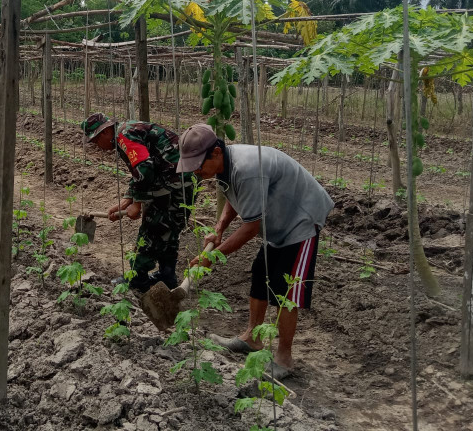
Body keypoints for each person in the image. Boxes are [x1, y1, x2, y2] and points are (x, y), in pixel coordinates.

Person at [175, 123, 334, 379]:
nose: (196, 171)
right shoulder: (226, 167)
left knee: (285, 290)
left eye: (198, 165)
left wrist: (210, 258)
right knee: (261, 273)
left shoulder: (247, 169)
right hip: (277, 220)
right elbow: (235, 197)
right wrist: (219, 228)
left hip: (301, 219)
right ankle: (252, 338)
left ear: (216, 153)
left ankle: (284, 358)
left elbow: (250, 228)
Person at [80, 113, 194, 292]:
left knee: (152, 228)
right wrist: (126, 201)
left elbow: (145, 168)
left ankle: (137, 278)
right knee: (169, 227)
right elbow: (140, 171)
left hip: (172, 181)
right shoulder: (127, 131)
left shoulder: (124, 136)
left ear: (105, 132)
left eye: (95, 140)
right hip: (180, 178)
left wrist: (138, 203)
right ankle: (167, 275)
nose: (97, 146)